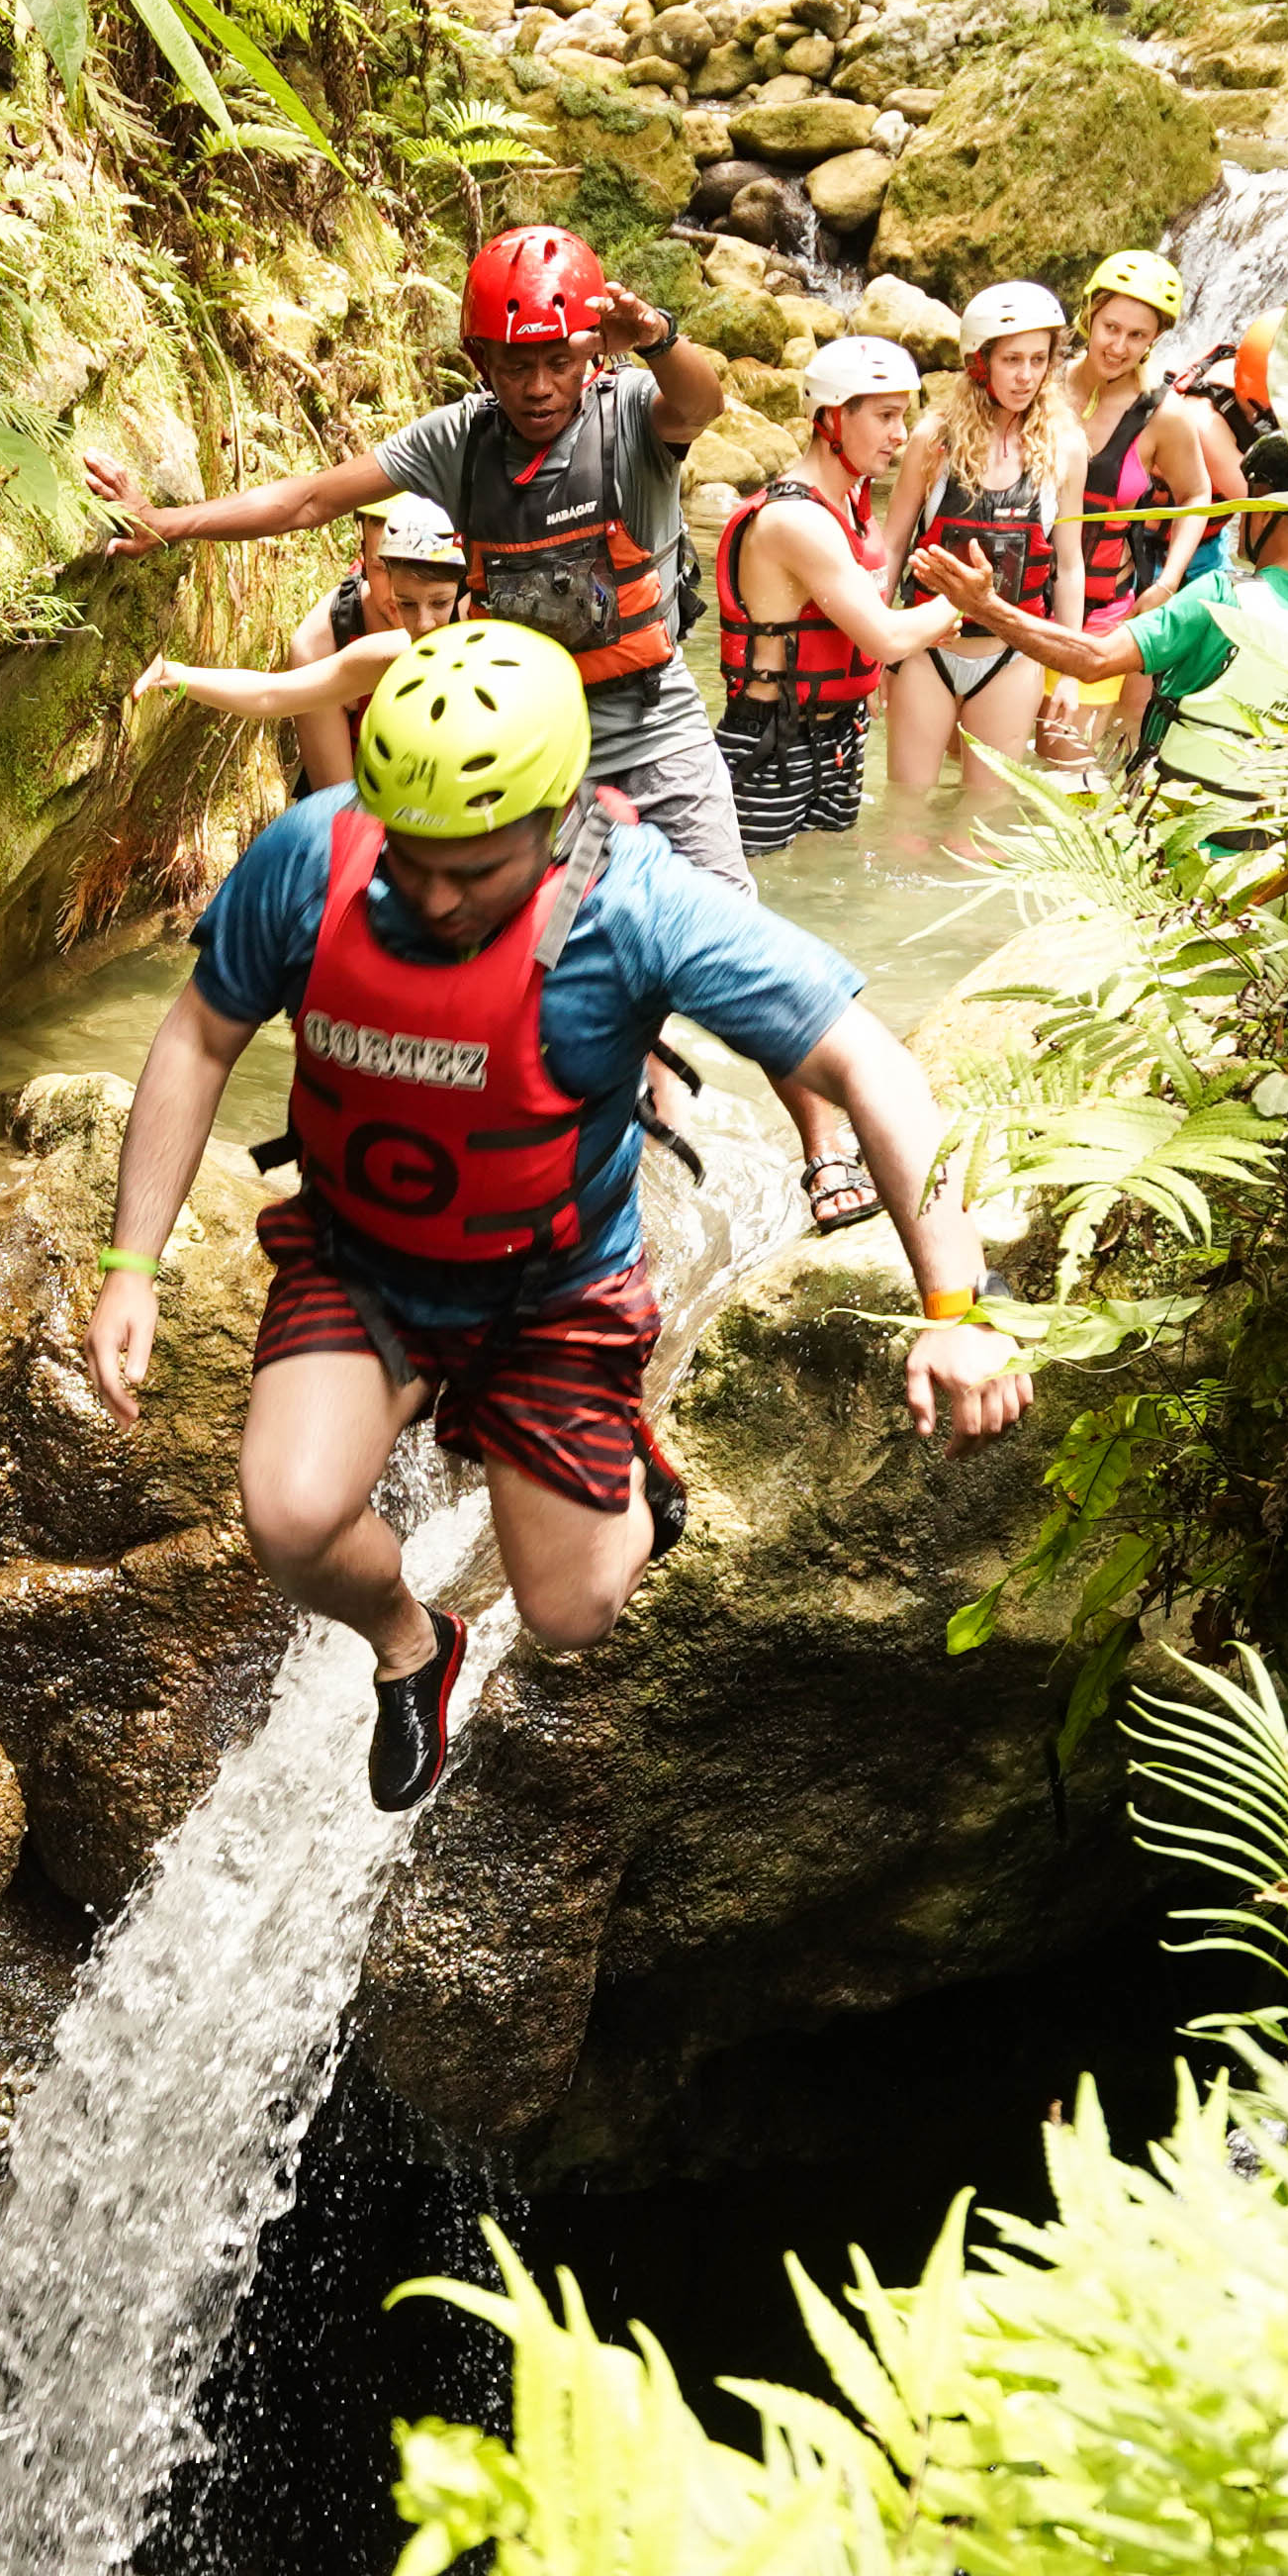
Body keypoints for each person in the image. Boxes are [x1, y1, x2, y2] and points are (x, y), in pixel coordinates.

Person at [77, 620, 1033, 1813]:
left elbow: (876, 1072)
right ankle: (411, 1646)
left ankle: (635, 1469)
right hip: (360, 1256)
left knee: (572, 1614)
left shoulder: (639, 905)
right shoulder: (311, 858)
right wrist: (132, 1262)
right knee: (289, 1515)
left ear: (556, 815)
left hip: (548, 1292)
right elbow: (199, 1033)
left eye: (471, 869)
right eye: (411, 854)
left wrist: (956, 1305)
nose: (430, 892)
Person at [81, 225, 867, 1220]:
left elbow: (701, 401)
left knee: (735, 928)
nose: (537, 385)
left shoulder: (631, 418)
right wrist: (170, 521)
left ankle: (826, 1150)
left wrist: (659, 336)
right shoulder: (457, 441)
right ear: (480, 361)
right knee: (528, 956)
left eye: (558, 360)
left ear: (592, 357)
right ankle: (556, 1153)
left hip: (655, 729)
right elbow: (313, 498)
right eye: (514, 364)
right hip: (530, 747)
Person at [925, 429, 1288, 859]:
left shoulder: (1221, 597)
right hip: (1270, 862)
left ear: (1263, 507)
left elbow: (1094, 659)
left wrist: (984, 606)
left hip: (1175, 849)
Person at [709, 333, 972, 880]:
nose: (900, 436)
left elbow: (859, 617)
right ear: (834, 417)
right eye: (885, 416)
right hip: (770, 741)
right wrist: (968, 601)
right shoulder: (796, 519)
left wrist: (895, 650)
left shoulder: (852, 503)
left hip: (838, 737)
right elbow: (887, 638)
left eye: (903, 418)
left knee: (822, 886)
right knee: (762, 890)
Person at [878, 280, 1076, 852]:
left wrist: (1067, 669)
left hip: (1011, 660)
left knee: (982, 839)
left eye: (1038, 360)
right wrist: (875, 653)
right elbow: (892, 547)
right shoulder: (932, 440)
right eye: (1012, 359)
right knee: (904, 831)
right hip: (926, 653)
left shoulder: (1065, 449)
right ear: (978, 361)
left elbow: (1070, 565)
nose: (1026, 375)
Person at [127, 495, 474, 795]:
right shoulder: (382, 652)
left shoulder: (484, 635)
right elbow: (274, 694)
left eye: (440, 603)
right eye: (407, 604)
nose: (425, 623)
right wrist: (177, 675)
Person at [1052, 250, 1238, 776]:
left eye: (1138, 336)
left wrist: (1168, 581)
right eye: (1111, 327)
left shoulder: (1164, 415)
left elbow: (1198, 494)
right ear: (1089, 314)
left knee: (1066, 766)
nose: (1118, 347)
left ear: (1155, 340)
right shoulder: (1042, 388)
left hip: (1103, 608)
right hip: (1021, 596)